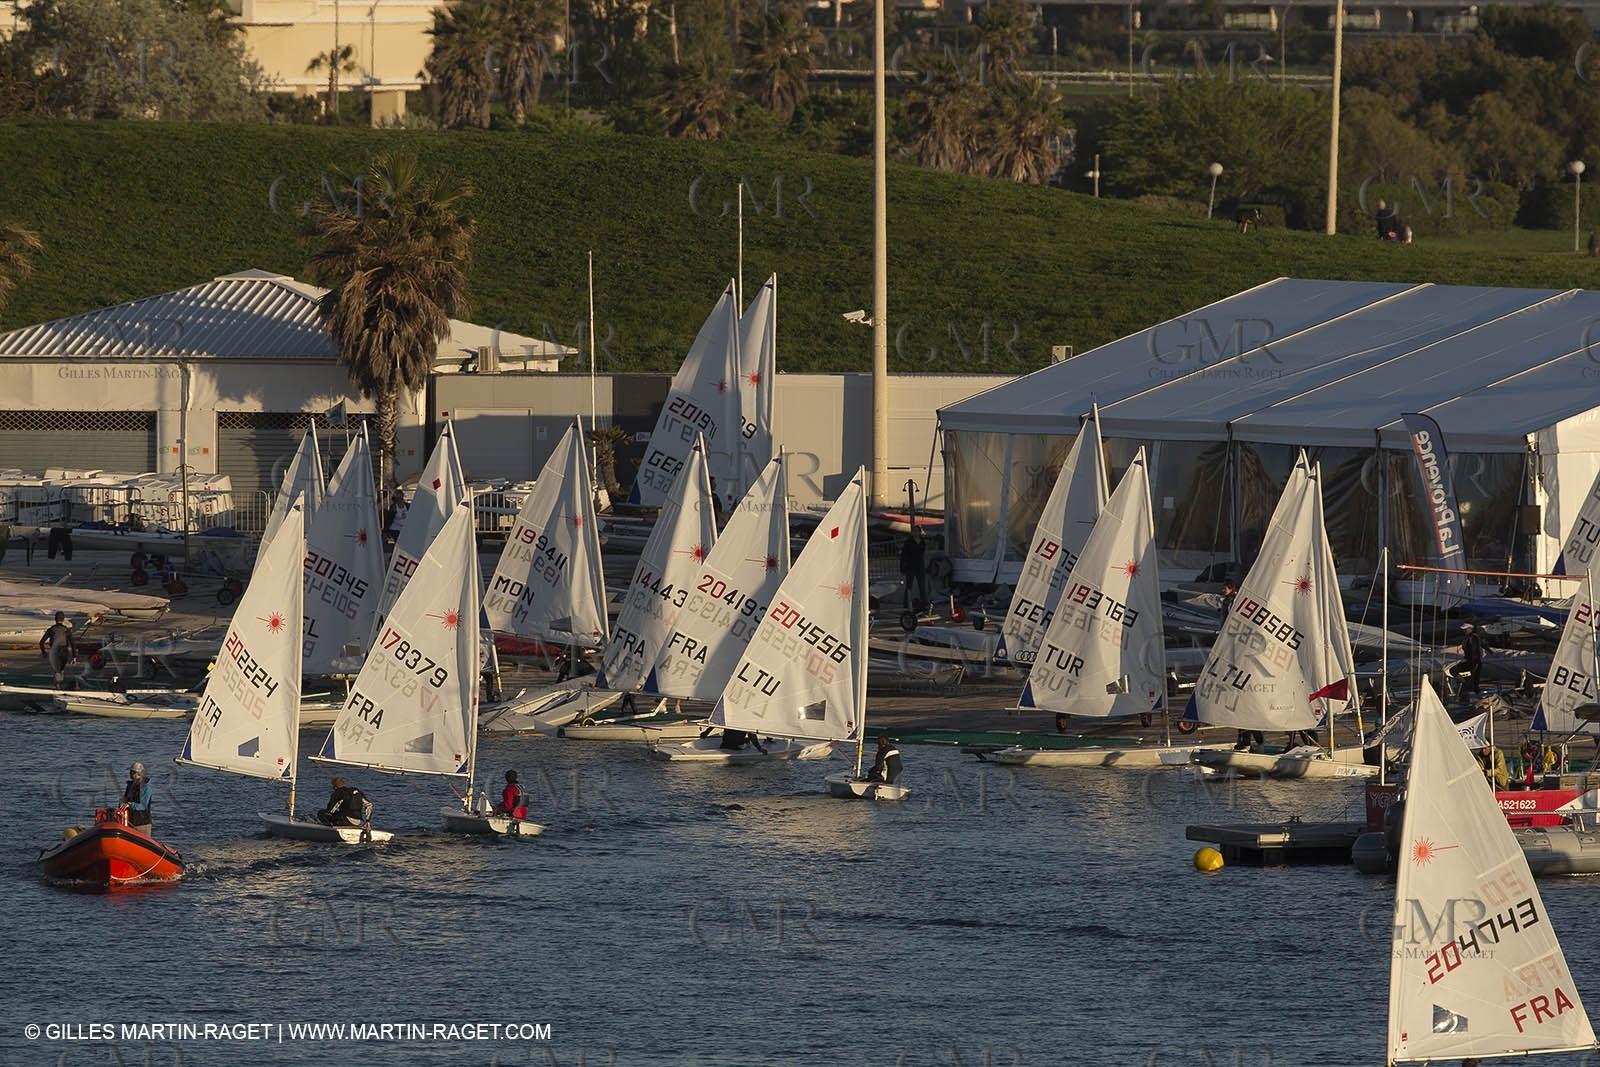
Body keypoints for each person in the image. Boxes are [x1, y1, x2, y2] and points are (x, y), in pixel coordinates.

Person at [39, 611, 76, 690]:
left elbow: (41, 642)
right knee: (61, 669)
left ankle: (58, 684)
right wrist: (74, 656)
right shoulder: (66, 630)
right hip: (64, 651)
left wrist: (44, 653)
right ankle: (59, 683)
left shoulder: (51, 630)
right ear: (63, 619)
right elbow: (73, 643)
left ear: (55, 619)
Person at [1450, 622, 1484, 697]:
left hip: (1474, 662)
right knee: (1453, 670)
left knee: (1474, 683)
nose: (1464, 631)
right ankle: (1463, 683)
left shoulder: (1473, 637)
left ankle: (1478, 697)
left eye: (1466, 629)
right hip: (1469, 661)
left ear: (1470, 629)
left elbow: (1475, 649)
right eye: (1464, 629)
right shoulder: (1468, 638)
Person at [900, 528, 928, 611]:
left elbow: (923, 552)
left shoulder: (922, 541)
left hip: (920, 566)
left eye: (917, 531)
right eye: (914, 531)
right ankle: (906, 604)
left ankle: (924, 603)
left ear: (920, 532)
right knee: (909, 586)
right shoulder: (908, 542)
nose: (915, 533)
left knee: (922, 586)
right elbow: (904, 555)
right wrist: (903, 567)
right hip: (910, 566)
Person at [120, 762, 153, 832]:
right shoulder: (130, 785)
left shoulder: (145, 787)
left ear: (137, 773)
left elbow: (143, 806)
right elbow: (126, 799)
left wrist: (130, 804)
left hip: (142, 823)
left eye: (132, 772)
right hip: (130, 822)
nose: (130, 773)